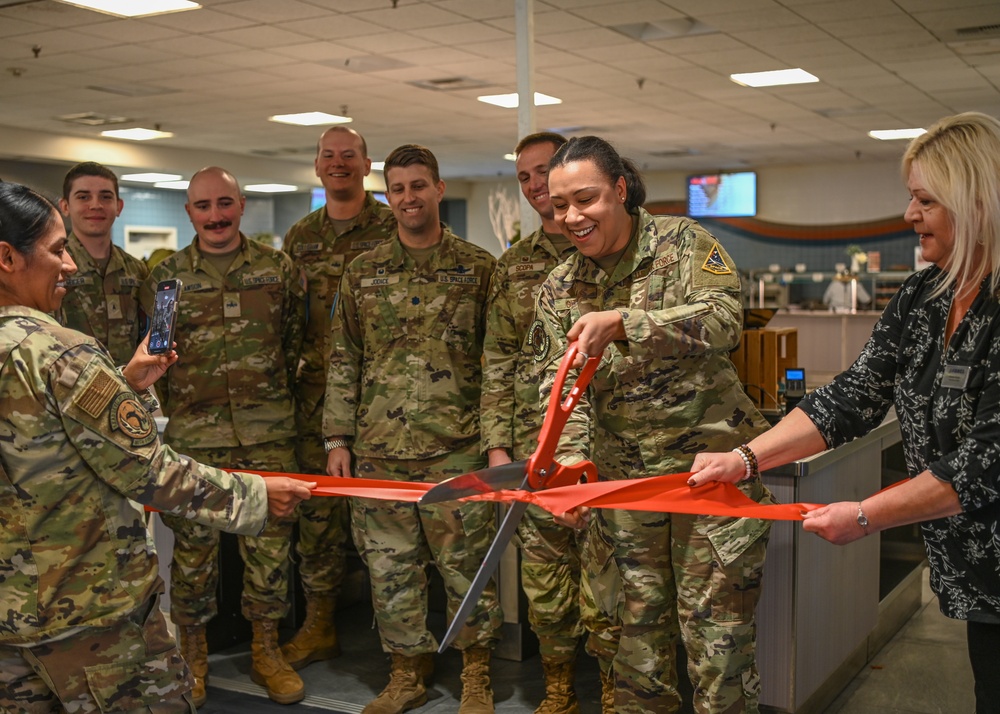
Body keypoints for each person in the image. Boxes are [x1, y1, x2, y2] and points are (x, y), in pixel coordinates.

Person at [689, 111, 1000, 714]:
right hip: (976, 576)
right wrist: (745, 460)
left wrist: (863, 516)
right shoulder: (924, 297)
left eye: (924, 200)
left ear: (978, 204)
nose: (909, 215)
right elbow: (851, 396)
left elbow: (985, 463)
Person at [0, 181, 313, 712]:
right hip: (89, 617)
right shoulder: (60, 351)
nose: (70, 265)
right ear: (7, 257)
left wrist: (123, 382)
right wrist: (257, 495)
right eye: (57, 249)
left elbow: (42, 435)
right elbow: (149, 473)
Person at [530, 136, 774, 713]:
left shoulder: (684, 244)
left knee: (721, 656)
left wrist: (626, 322)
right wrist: (567, 469)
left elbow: (722, 321)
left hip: (710, 479)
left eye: (585, 198)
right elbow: (559, 388)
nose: (571, 217)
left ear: (620, 189)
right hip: (625, 493)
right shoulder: (559, 288)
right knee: (636, 657)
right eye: (559, 205)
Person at [324, 144, 502, 714]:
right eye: (397, 189)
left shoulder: (478, 269)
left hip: (457, 449)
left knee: (467, 570)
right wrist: (337, 439)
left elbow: (499, 362)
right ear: (387, 196)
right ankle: (406, 674)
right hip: (379, 452)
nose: (408, 198)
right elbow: (344, 357)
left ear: (439, 188)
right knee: (390, 570)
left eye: (418, 186)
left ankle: (476, 675)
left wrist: (496, 444)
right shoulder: (363, 272)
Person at [140, 167, 307, 705]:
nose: (215, 215)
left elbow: (294, 343)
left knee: (270, 552)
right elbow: (155, 355)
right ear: (188, 212)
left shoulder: (276, 268)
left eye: (224, 203)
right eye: (203, 206)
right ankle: (191, 652)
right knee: (192, 556)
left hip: (268, 433)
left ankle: (266, 650)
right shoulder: (165, 277)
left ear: (241, 204)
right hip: (197, 438)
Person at [280, 126, 395, 671]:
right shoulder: (300, 237)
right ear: (318, 167)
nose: (339, 163)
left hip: (385, 403)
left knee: (392, 523)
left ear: (366, 165)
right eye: (329, 156)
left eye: (349, 155)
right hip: (316, 401)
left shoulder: (394, 226)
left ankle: (404, 636)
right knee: (318, 520)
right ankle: (320, 623)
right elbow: (288, 322)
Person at [480, 131, 587, 713]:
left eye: (543, 170)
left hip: (605, 451)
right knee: (545, 584)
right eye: (523, 177)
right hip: (535, 448)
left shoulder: (607, 249)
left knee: (613, 580)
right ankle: (560, 689)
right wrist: (498, 449)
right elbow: (496, 359)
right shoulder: (513, 266)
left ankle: (620, 691)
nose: (535, 185)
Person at [56, 161, 150, 365]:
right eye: (83, 197)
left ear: (119, 206)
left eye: (106, 197)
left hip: (130, 390)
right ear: (65, 206)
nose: (96, 205)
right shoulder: (55, 267)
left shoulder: (137, 270)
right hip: (72, 390)